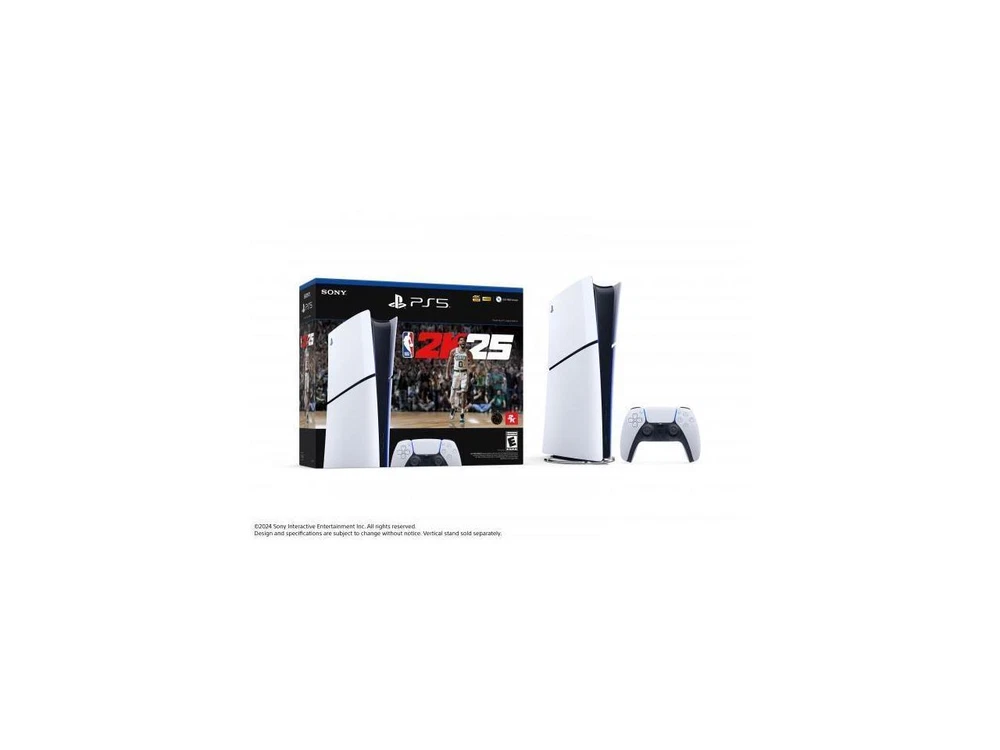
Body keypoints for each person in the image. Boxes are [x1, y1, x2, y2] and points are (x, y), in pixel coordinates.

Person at [446, 336, 471, 425]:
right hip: (456, 373)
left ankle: (462, 413)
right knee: (452, 394)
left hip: (464, 374)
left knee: (463, 393)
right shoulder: (453, 351)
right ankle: (453, 408)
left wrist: (472, 370)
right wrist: (447, 373)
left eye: (464, 340)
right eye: (461, 340)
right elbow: (449, 363)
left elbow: (472, 363)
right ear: (458, 342)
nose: (463, 341)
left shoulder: (468, 352)